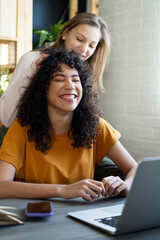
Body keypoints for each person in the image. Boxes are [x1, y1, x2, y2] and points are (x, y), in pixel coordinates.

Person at [0, 49, 138, 201]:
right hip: (36, 217)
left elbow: (135, 168)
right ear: (44, 88)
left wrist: (127, 185)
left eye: (75, 79)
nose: (70, 86)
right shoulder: (22, 128)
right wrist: (62, 190)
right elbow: (2, 186)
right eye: (59, 79)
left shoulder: (96, 125)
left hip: (83, 214)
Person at [0, 12, 111, 129]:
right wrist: (35, 68)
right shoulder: (32, 60)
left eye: (91, 46)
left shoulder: (83, 74)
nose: (84, 49)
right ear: (64, 33)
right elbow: (6, 117)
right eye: (79, 39)